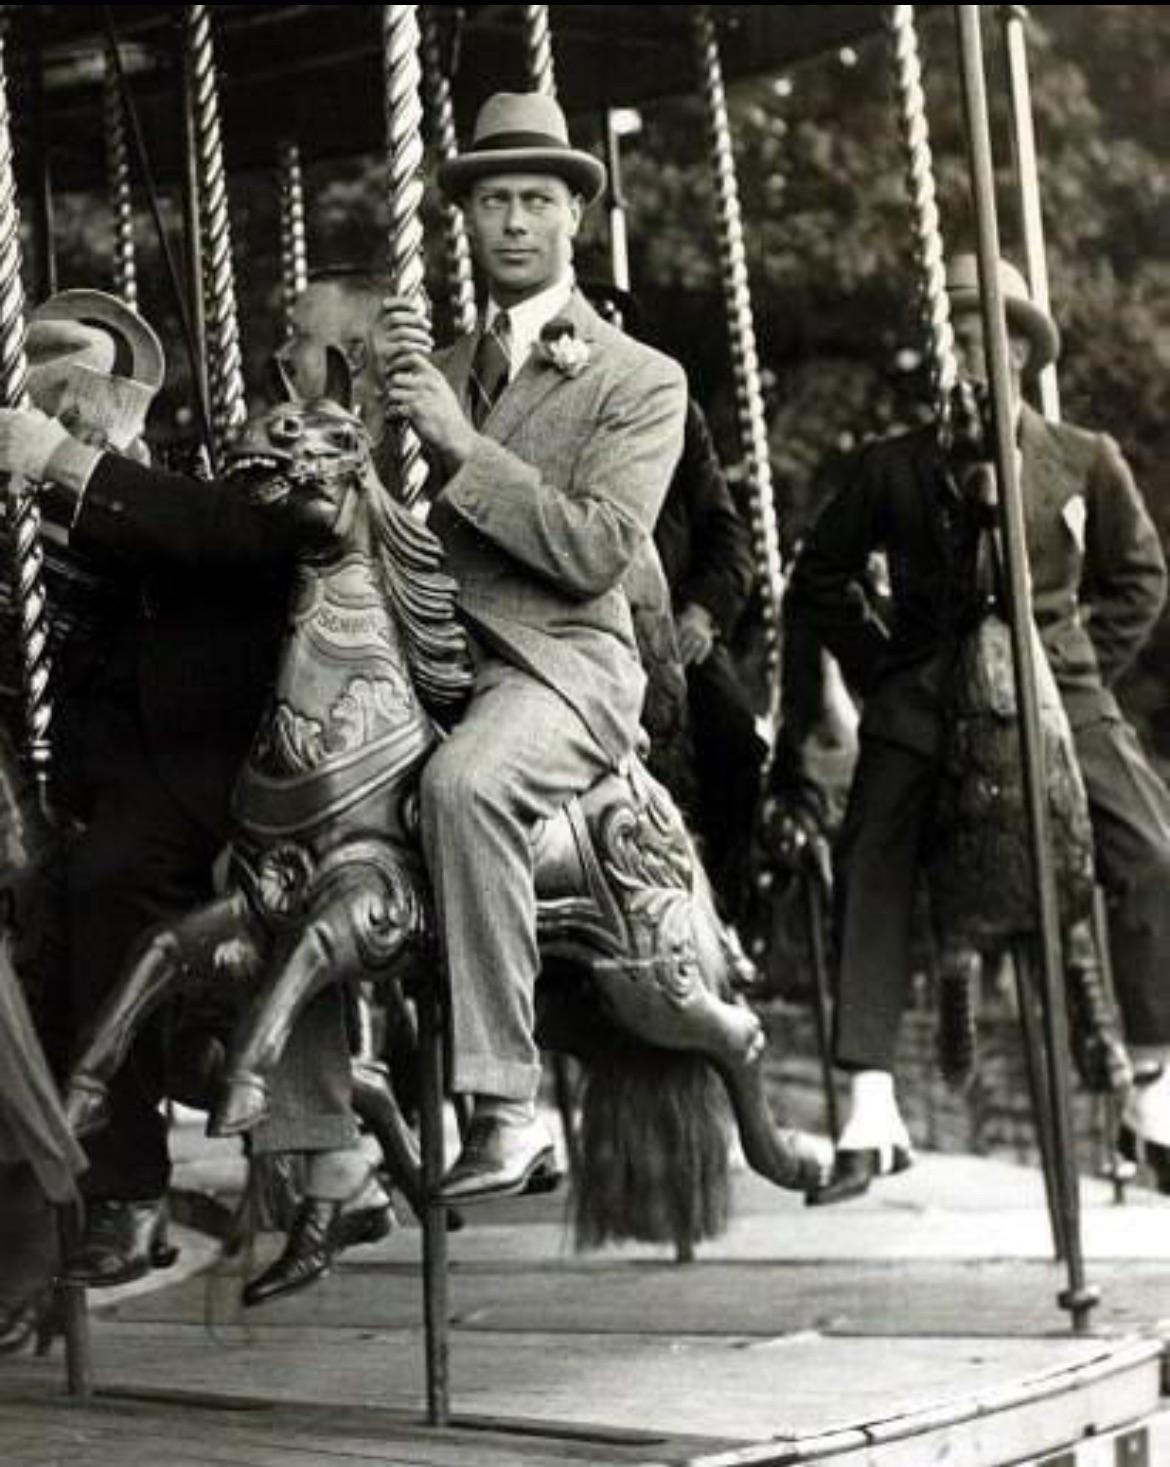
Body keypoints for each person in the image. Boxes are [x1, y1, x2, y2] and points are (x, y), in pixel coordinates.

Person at [0, 279, 398, 1304]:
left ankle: (129, 1193)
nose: (273, 367)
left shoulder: (328, 460)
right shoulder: (204, 465)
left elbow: (232, 535)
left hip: (248, 760)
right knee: (49, 899)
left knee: (107, 877)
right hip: (130, 751)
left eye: (72, 392)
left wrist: (64, 467)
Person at [786, 254, 1170, 1203]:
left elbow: (1139, 578)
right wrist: (885, 670)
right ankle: (873, 1101)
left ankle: (1155, 1080)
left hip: (1058, 684)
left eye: (986, 335)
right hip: (928, 685)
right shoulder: (894, 467)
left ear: (1022, 348)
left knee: (1151, 848)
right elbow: (820, 579)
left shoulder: (1083, 458)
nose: (968, 352)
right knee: (873, 842)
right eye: (952, 337)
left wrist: (1079, 668)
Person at [377, 91, 687, 1204]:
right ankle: (314, 1139)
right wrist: (371, 407)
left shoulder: (638, 377)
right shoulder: (435, 363)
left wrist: (459, 446)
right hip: (431, 652)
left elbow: (599, 547)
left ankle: (506, 1108)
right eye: (493, 201)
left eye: (535, 201)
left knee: (466, 788)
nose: (512, 222)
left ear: (574, 220)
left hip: (560, 661)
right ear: (464, 221)